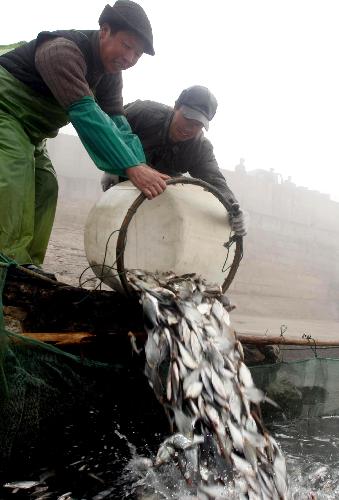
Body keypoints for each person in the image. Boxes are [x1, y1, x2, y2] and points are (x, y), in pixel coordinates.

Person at [0, 0, 168, 278]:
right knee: (13, 182)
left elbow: (118, 124)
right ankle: (7, 266)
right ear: (105, 30)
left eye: (137, 54)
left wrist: (143, 166)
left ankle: (28, 270)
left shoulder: (110, 75)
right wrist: (131, 167)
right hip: (5, 111)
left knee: (46, 187)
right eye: (126, 46)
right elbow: (87, 117)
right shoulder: (62, 51)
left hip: (32, 131)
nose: (129, 58)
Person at [101, 86, 247, 236]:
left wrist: (232, 208)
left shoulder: (200, 149)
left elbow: (216, 181)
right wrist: (113, 166)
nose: (189, 128)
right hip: (124, 178)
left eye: (197, 124)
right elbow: (107, 130)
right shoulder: (143, 113)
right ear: (176, 106)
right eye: (187, 118)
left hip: (160, 193)